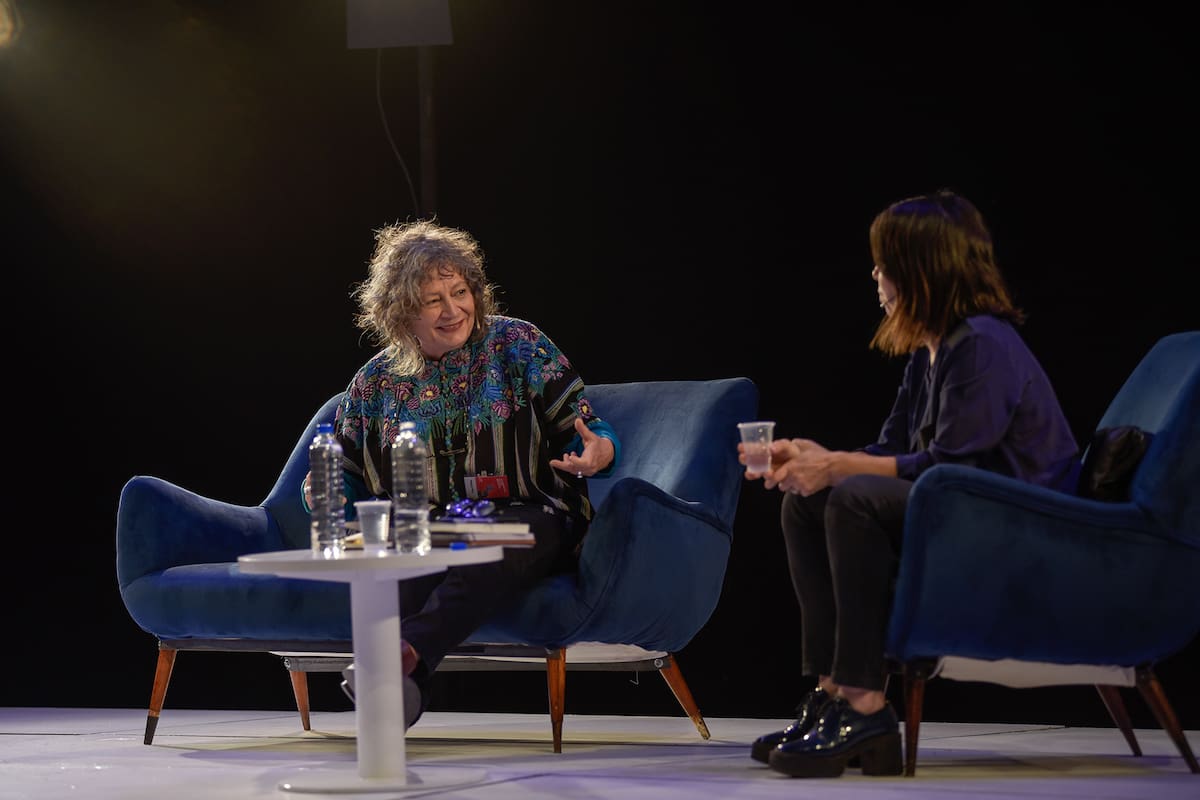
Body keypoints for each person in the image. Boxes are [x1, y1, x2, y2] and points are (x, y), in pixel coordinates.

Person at [742, 189, 1080, 779]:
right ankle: (833, 695)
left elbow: (950, 467)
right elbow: (891, 453)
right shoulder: (930, 352)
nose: (875, 274)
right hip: (959, 508)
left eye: (886, 261)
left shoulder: (980, 344)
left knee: (847, 495)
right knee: (808, 500)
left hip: (1015, 524)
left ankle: (867, 703)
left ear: (923, 268)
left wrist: (840, 468)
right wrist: (816, 458)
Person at [303, 219, 621, 727]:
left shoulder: (518, 345)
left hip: (531, 517)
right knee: (404, 566)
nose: (455, 310)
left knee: (492, 542)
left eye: (461, 292)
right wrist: (326, 498)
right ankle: (396, 700)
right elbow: (334, 469)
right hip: (429, 530)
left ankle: (396, 660)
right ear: (402, 312)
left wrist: (601, 450)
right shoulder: (375, 383)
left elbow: (587, 427)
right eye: (434, 300)